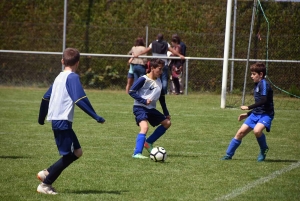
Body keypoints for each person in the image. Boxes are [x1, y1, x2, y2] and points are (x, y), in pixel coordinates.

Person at [36, 48, 105, 194]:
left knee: (77, 152)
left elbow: (45, 97)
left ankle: (46, 173)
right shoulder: (72, 77)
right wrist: (96, 116)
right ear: (78, 63)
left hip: (58, 120)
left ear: (62, 61)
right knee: (69, 155)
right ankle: (45, 184)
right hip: (62, 121)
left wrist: (41, 118)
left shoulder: (59, 77)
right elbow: (80, 99)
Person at [221, 62, 274, 162]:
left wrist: (248, 107)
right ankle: (228, 155)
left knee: (257, 131)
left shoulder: (264, 84)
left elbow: (263, 101)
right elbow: (259, 105)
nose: (251, 76)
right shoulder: (257, 84)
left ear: (261, 74)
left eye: (254, 74)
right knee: (240, 133)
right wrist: (248, 114)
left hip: (266, 114)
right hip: (256, 114)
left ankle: (264, 149)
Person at [128, 58, 171, 159]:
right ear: (152, 68)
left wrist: (166, 112)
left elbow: (162, 98)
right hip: (140, 107)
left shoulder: (159, 81)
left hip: (151, 109)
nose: (161, 72)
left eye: (162, 69)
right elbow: (131, 91)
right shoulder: (144, 79)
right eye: (159, 69)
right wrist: (143, 100)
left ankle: (148, 143)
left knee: (167, 123)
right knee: (144, 128)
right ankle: (137, 153)